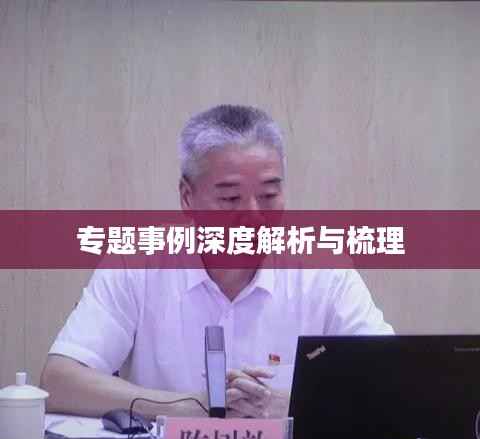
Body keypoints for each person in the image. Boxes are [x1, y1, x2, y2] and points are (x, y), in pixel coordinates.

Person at [40, 105, 393, 419]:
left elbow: (390, 380)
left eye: (269, 195)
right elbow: (59, 382)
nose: (254, 216)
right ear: (187, 197)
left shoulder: (322, 269)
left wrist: (290, 406)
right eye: (230, 198)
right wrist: (191, 406)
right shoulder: (137, 262)